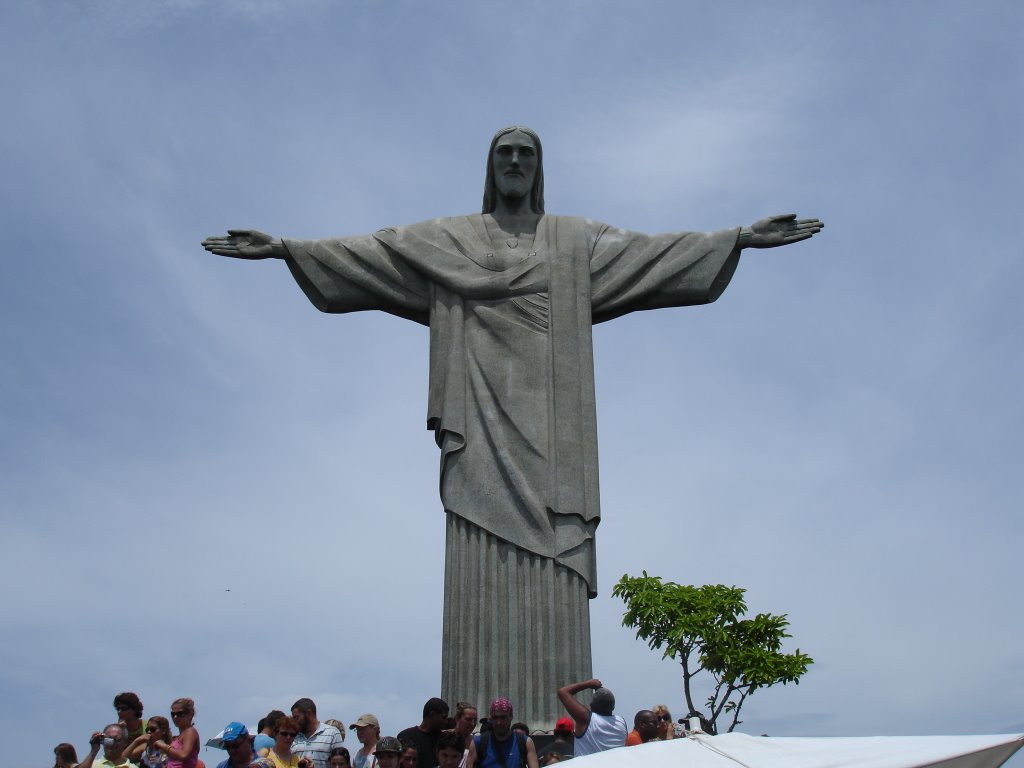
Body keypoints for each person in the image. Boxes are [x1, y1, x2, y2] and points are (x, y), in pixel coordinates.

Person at [203, 127, 824, 724]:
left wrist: (737, 237)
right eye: (505, 152)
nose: (516, 162)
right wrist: (287, 247)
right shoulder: (448, 241)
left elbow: (653, 252)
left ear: (540, 167)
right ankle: (477, 716)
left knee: (556, 542)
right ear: (490, 165)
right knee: (475, 535)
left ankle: (555, 723)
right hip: (477, 417)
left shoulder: (574, 241)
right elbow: (374, 252)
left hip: (554, 427)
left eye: (527, 153)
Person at [556, 679, 625, 757]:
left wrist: (588, 684)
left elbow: (563, 692)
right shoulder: (621, 723)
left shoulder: (586, 720)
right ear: (613, 707)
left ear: (591, 706)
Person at [472, 699, 538, 768]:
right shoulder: (478, 742)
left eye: (503, 717)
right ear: (490, 718)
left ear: (511, 716)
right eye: (495, 717)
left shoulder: (525, 742)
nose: (499, 722)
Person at [291, 698, 346, 768]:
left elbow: (339, 764)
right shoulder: (292, 736)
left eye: (296, 717)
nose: (294, 722)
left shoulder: (332, 733)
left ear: (308, 713)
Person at [397, 698, 449, 768]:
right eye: (443, 717)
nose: (445, 721)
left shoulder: (445, 739)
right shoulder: (405, 736)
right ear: (432, 714)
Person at [148, 699, 199, 768]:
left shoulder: (190, 731)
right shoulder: (178, 737)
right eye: (173, 714)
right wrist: (160, 760)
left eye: (180, 714)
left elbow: (183, 755)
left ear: (190, 714)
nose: (175, 717)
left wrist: (163, 746)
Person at [449, 703, 477, 768]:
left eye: (475, 720)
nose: (472, 723)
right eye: (468, 719)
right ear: (457, 719)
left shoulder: (477, 741)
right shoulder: (444, 737)